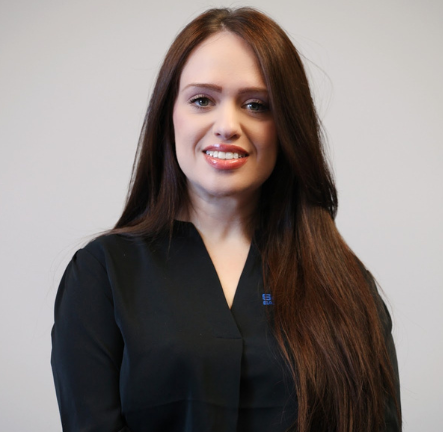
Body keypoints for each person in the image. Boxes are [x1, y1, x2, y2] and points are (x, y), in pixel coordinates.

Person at [51, 7, 401, 432]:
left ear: (287, 126)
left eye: (256, 105)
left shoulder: (346, 284)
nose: (227, 125)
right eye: (202, 100)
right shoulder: (102, 275)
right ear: (170, 115)